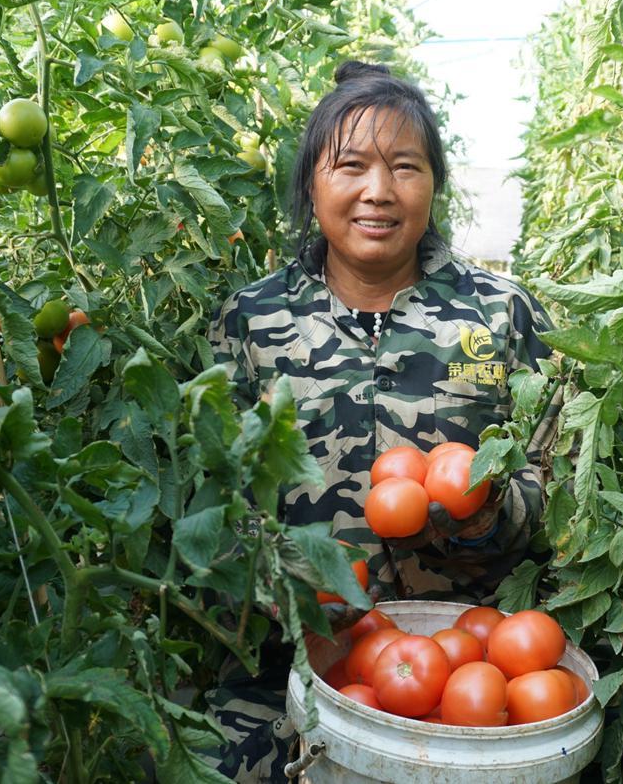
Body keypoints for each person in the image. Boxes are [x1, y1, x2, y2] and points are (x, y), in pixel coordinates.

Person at [204, 60, 557, 782]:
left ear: (434, 184)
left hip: (467, 671)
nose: (379, 191)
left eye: (405, 166)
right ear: (311, 183)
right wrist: (278, 582)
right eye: (352, 166)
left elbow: (554, 476)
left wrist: (486, 507)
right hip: (293, 670)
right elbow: (212, 492)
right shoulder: (252, 321)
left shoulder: (501, 316)